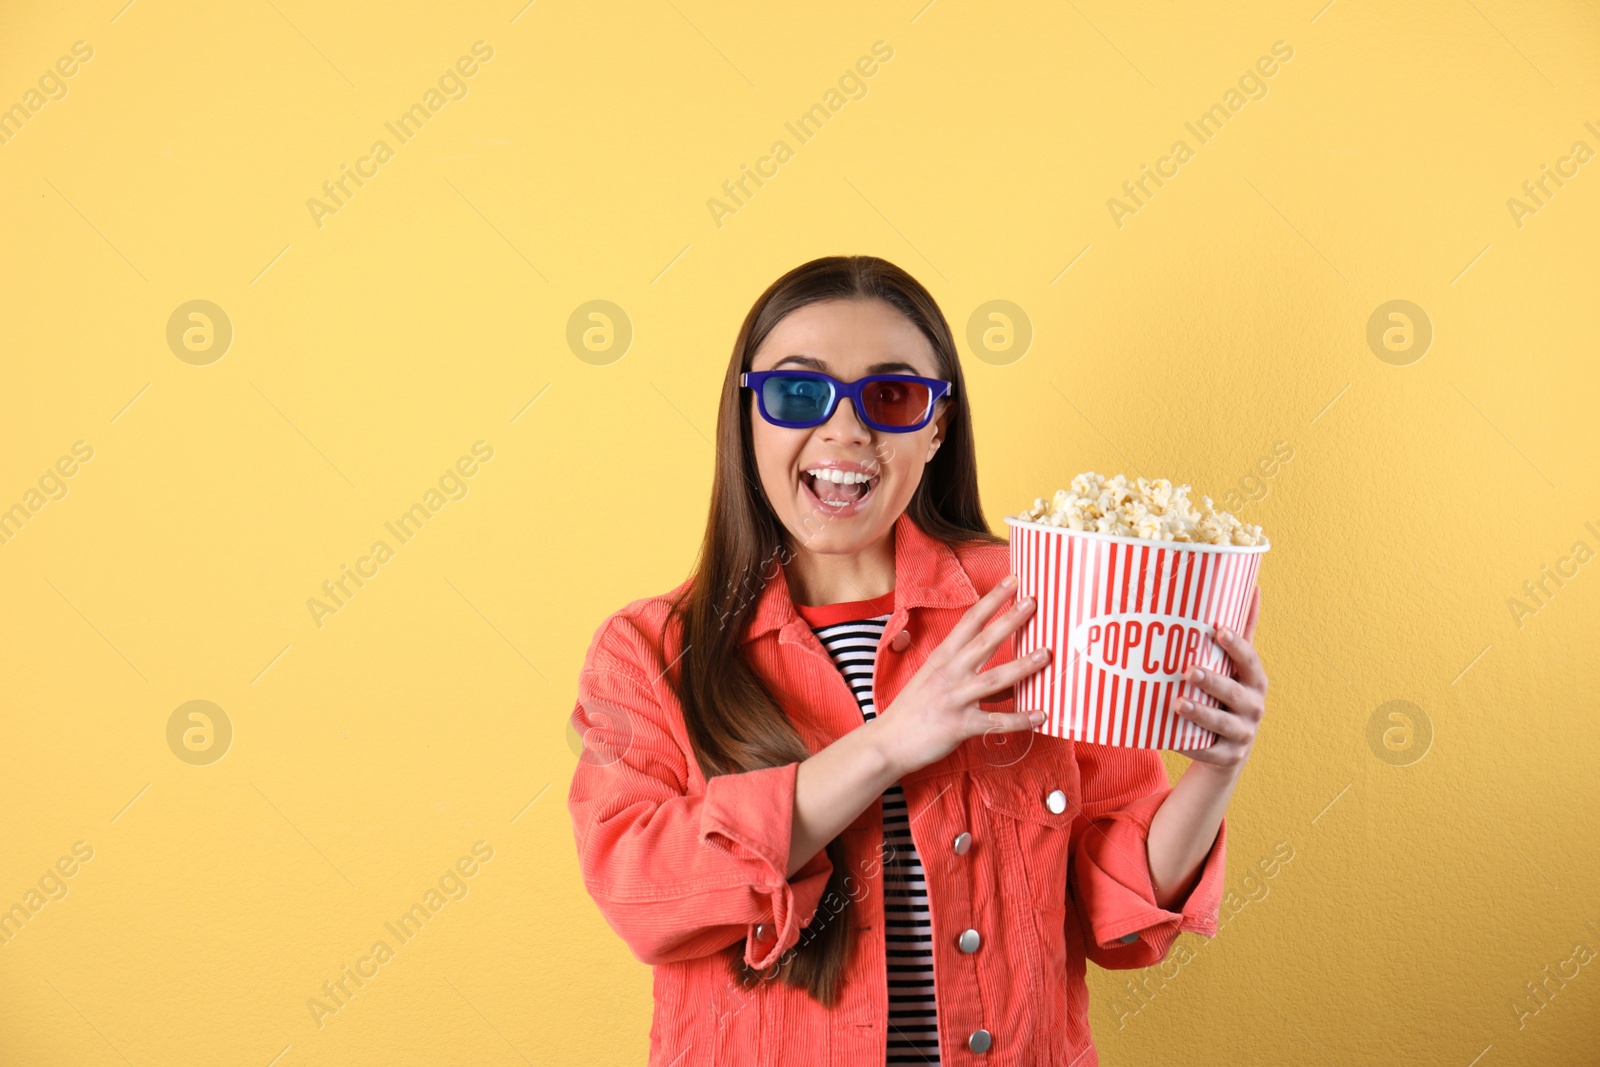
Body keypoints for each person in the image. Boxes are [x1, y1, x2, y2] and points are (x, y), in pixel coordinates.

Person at [567, 255, 1269, 1065]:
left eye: (890, 396)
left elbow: (1119, 914)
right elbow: (640, 892)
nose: (845, 430)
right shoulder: (652, 650)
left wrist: (1217, 770)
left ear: (935, 426)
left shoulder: (1038, 606)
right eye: (800, 392)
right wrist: (887, 745)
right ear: (749, 413)